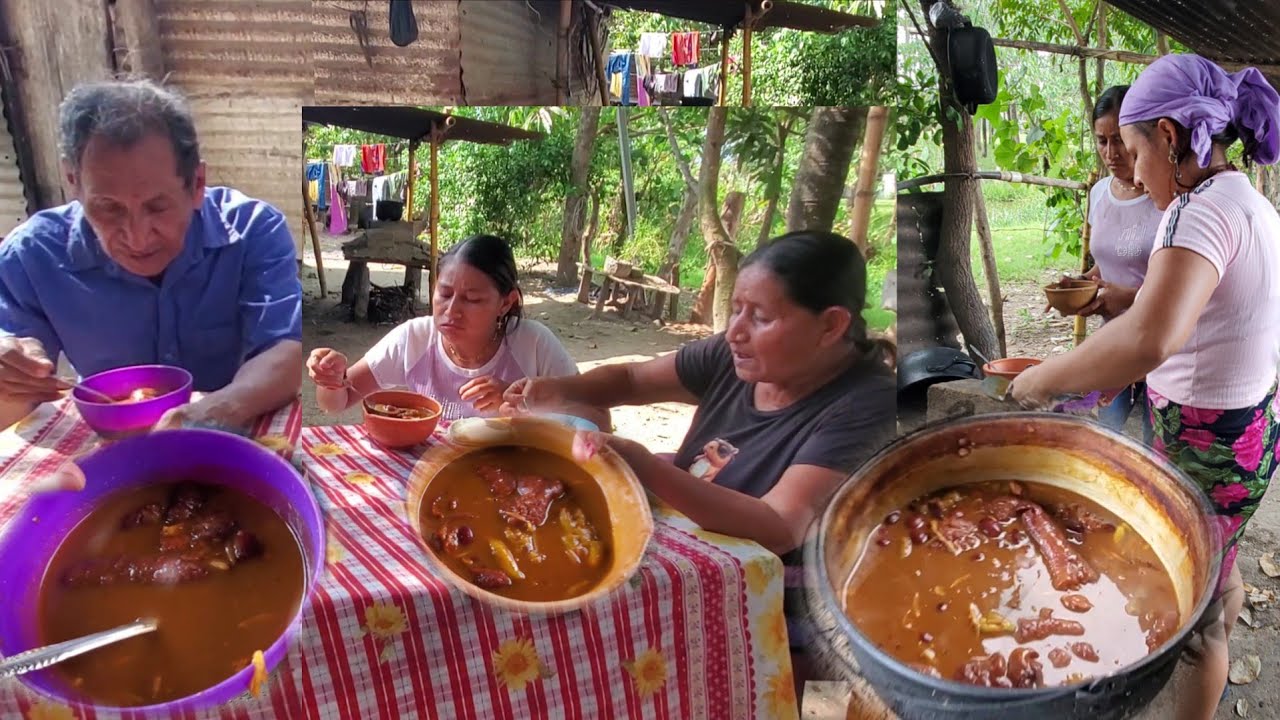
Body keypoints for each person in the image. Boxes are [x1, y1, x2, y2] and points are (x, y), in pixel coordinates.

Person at [1010, 54, 1280, 720]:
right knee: (1217, 569)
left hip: (1208, 443)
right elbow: (1177, 317)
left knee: (1195, 625)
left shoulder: (1197, 213)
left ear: (1167, 136)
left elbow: (1146, 339)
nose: (1129, 167)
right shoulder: (1244, 199)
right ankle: (1227, 589)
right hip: (1239, 432)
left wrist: (1039, 382)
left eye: (1132, 149)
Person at [502, 230, 896, 683]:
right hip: (690, 556)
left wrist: (644, 464)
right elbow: (631, 379)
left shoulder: (865, 405)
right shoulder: (736, 356)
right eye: (736, 310)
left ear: (831, 326)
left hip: (778, 603)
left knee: (571, 626)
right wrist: (557, 390)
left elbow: (779, 526)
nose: (736, 331)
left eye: (761, 317)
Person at [0, 79, 303, 431]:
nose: (137, 236)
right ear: (74, 181)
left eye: (158, 206)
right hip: (108, 448)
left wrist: (213, 411)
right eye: (108, 208)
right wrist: (11, 373)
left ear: (197, 183)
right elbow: (14, 409)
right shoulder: (31, 256)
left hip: (229, 432)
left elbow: (285, 351)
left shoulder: (254, 231)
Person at [308, 234, 604, 428]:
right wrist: (332, 379)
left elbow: (597, 418)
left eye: (473, 299)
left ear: (505, 303)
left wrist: (522, 401)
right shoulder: (415, 339)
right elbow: (338, 402)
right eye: (444, 293)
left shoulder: (533, 344)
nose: (451, 311)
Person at [1074, 84, 1166, 443]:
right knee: (1104, 440)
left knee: (1152, 450)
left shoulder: (1167, 197)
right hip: (1113, 344)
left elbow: (1180, 284)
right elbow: (1107, 261)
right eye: (1101, 141)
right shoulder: (1100, 194)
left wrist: (1127, 297)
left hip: (1158, 349)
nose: (1111, 153)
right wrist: (1081, 285)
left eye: (1119, 140)